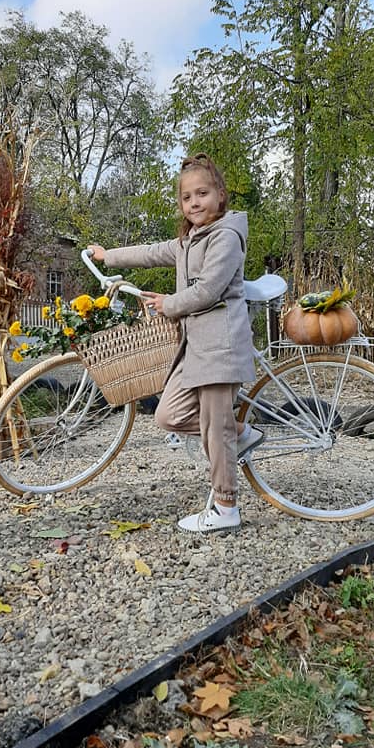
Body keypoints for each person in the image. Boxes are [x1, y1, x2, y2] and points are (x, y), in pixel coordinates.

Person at [88, 152, 261, 535]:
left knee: (215, 429)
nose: (194, 202)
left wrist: (168, 305)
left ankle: (226, 505)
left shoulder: (226, 236)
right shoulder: (187, 241)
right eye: (187, 197)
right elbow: (150, 253)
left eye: (202, 193)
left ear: (220, 195)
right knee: (168, 415)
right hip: (194, 347)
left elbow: (209, 290)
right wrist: (107, 256)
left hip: (220, 345)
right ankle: (241, 434)